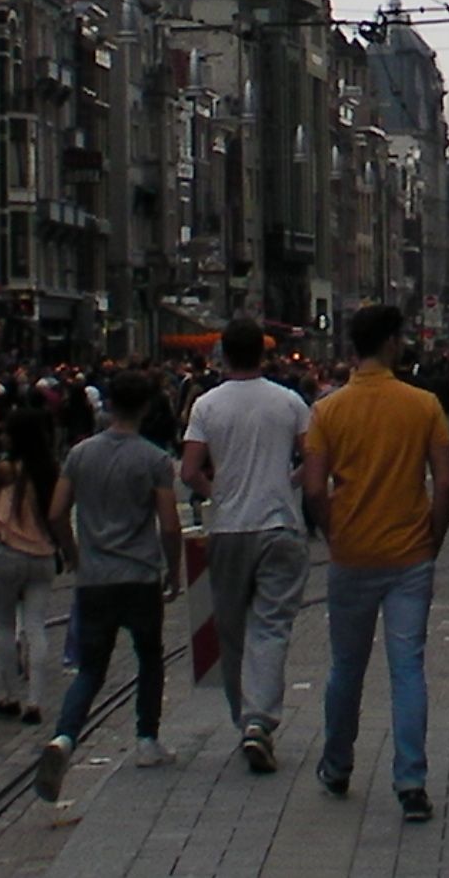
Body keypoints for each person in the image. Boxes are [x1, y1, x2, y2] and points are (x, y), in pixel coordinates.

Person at [303, 303, 449, 824]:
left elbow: (312, 486)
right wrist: (432, 538)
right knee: (407, 667)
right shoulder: (423, 405)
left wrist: (333, 531)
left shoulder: (328, 410)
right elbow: (446, 481)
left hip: (351, 553)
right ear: (392, 342)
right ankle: (411, 780)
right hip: (409, 552)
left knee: (346, 666)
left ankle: (338, 763)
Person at [35, 371, 185, 804]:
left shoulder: (80, 455)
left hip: (95, 578)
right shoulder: (154, 459)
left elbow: (57, 511)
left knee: (91, 669)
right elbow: (170, 525)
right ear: (146, 409)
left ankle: (65, 737)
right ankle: (146, 740)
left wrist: (75, 554)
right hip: (138, 574)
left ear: (108, 405)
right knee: (149, 657)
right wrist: (173, 572)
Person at [179, 317, 311, 773]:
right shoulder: (289, 401)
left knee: (232, 630)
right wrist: (286, 481)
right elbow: (314, 459)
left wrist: (218, 492)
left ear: (222, 356)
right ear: (264, 354)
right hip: (278, 525)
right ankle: (261, 721)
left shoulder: (206, 406)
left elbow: (189, 469)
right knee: (272, 626)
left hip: (231, 528)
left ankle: (244, 719)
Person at [0, 407, 60, 727]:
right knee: (37, 626)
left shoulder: (6, 469)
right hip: (42, 555)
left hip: (10, 552)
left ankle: (11, 695)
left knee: (4, 625)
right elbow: (57, 515)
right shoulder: (50, 470)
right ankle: (35, 702)